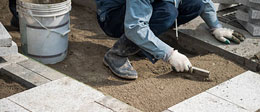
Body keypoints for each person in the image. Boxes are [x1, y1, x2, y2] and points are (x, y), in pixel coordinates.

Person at [95, 0, 245, 80]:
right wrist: (169, 54)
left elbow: (203, 1)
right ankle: (116, 55)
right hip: (112, 17)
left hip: (141, 7)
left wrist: (216, 27)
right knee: (167, 13)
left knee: (195, 4)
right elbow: (134, 27)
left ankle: (146, 45)